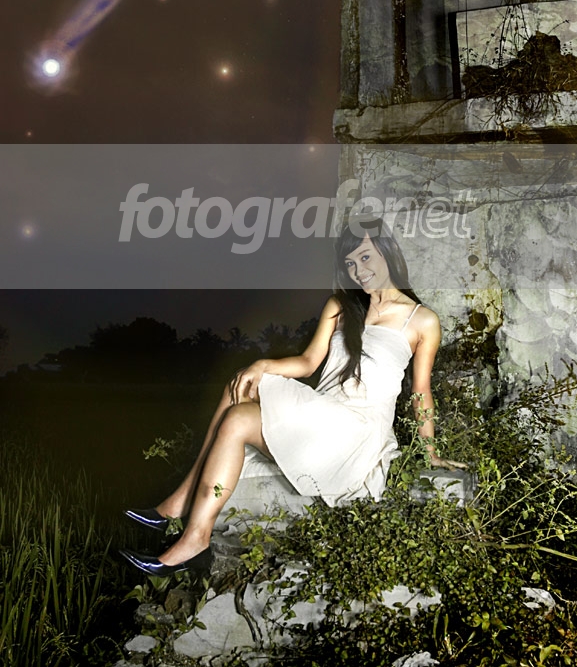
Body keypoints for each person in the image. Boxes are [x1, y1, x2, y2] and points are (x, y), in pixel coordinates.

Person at [120, 218, 464, 576]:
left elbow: (420, 391)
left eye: (365, 257)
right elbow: (308, 361)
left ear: (386, 251)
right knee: (240, 391)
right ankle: (194, 534)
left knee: (240, 401)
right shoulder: (341, 306)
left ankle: (180, 504)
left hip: (357, 433)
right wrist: (261, 365)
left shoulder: (422, 320)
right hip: (322, 415)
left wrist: (431, 452)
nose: (358, 271)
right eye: (350, 263)